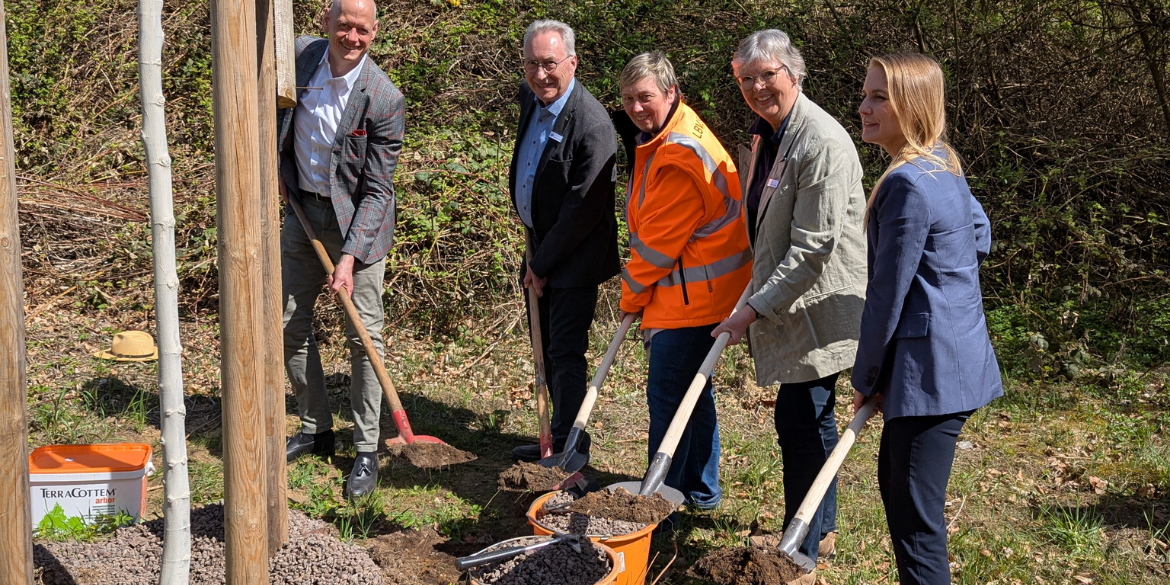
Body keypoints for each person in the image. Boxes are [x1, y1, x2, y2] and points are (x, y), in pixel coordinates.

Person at [712, 29, 867, 561]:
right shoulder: (768, 134)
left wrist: (752, 309)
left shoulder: (819, 141)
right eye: (746, 79)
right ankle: (817, 529)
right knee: (807, 419)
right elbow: (767, 226)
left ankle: (801, 544)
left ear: (795, 74)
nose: (757, 87)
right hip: (787, 297)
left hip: (819, 302)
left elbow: (813, 248)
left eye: (767, 75)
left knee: (801, 419)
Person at [853, 52, 1002, 585]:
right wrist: (944, 279)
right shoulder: (943, 163)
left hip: (930, 375)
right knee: (900, 495)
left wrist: (865, 378)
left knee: (916, 528)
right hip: (951, 360)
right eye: (865, 94)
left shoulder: (908, 183)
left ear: (912, 105)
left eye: (879, 97)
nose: (863, 107)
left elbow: (886, 295)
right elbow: (979, 236)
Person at [278, 0, 404, 499]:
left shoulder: (383, 97)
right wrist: (279, 169)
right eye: (344, 26)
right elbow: (271, 111)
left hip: (359, 225)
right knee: (290, 324)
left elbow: (378, 190)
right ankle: (316, 428)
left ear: (375, 32)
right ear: (326, 23)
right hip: (302, 213)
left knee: (362, 336)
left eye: (362, 30)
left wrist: (349, 258)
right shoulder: (300, 57)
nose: (352, 37)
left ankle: (366, 447)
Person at [619, 52, 752, 510]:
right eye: (628, 99)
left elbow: (657, 249)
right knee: (694, 393)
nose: (636, 107)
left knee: (669, 398)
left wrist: (630, 298)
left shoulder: (678, 154)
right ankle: (700, 491)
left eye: (645, 97)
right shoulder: (668, 134)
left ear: (671, 92)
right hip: (702, 291)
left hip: (692, 299)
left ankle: (663, 504)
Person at [508, 20, 620, 462]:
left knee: (566, 352)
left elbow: (582, 210)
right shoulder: (531, 98)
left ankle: (572, 450)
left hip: (575, 256)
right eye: (532, 64)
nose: (540, 75)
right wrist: (535, 256)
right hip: (538, 246)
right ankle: (552, 438)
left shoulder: (592, 124)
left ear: (572, 63)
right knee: (547, 350)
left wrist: (542, 265)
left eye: (550, 64)